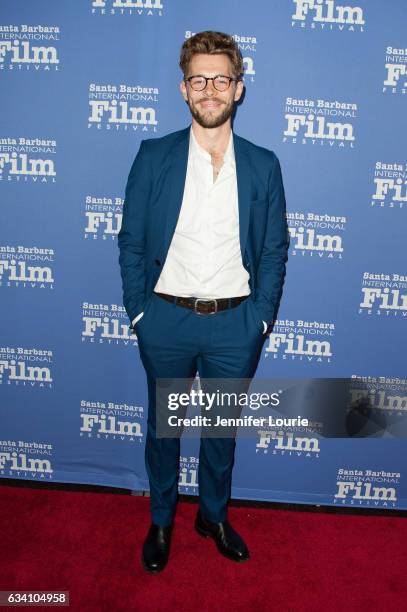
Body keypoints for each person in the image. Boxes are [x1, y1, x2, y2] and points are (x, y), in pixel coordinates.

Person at [118, 30, 289, 573]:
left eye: (221, 79)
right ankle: (162, 519)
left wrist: (260, 319)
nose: (210, 89)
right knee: (163, 431)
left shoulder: (264, 165)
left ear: (238, 88)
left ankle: (212, 515)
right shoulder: (154, 156)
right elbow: (131, 240)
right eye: (199, 80)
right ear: (183, 89)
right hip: (165, 319)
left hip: (235, 323)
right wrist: (141, 313)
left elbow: (273, 248)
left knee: (220, 433)